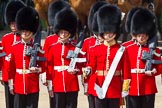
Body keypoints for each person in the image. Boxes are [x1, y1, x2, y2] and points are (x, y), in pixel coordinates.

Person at [85, 4, 131, 108]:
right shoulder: (95, 49)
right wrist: (88, 70)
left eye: (111, 32)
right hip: (100, 86)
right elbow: (92, 66)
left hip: (114, 87)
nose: (108, 35)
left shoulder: (121, 50)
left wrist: (125, 88)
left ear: (115, 32)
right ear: (102, 33)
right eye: (106, 33)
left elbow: (126, 70)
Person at [8, 6, 45, 108]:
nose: (24, 32)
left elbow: (44, 65)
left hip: (32, 85)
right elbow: (10, 68)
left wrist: (38, 69)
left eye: (27, 30)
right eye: (22, 30)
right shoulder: (14, 47)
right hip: (19, 85)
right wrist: (11, 84)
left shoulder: (37, 47)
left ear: (32, 31)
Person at [46, 7, 83, 108]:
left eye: (66, 33)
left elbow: (81, 65)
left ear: (69, 33)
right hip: (57, 84)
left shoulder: (75, 47)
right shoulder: (52, 48)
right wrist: (50, 86)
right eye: (61, 32)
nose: (63, 34)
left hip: (72, 83)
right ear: (58, 32)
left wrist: (76, 70)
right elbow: (49, 67)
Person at [126, 8, 162, 108]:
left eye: (144, 35)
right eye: (139, 35)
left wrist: (155, 71)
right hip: (131, 86)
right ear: (134, 34)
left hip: (148, 86)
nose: (141, 38)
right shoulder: (126, 48)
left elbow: (160, 66)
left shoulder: (155, 50)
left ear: (148, 35)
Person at [43, 1, 70, 108]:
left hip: (67, 78)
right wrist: (45, 76)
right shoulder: (49, 40)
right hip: (53, 76)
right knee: (54, 102)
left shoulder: (70, 40)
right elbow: (45, 59)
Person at [81, 1, 107, 108]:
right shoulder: (88, 42)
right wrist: (85, 80)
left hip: (107, 80)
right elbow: (84, 62)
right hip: (92, 80)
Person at [0, 1, 25, 108]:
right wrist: (1, 74)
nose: (13, 25)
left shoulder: (25, 38)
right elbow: (2, 57)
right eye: (11, 23)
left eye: (15, 22)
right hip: (7, 75)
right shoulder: (6, 39)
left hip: (20, 76)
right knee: (9, 104)